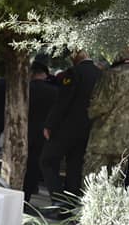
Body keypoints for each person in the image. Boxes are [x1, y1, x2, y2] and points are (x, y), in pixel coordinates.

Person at [39, 49, 101, 213]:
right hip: (87, 128)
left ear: (78, 54)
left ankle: (59, 202)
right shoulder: (99, 74)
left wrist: (50, 124)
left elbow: (63, 101)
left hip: (66, 127)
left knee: (47, 160)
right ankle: (70, 204)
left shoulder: (74, 72)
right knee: (74, 165)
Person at [85, 47, 129, 179]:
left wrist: (87, 114)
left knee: (94, 178)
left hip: (103, 137)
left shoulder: (111, 74)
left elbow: (99, 105)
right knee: (117, 178)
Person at [23, 60, 59, 205]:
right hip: (44, 133)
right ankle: (33, 190)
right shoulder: (54, 91)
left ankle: (24, 195)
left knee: (26, 164)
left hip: (25, 131)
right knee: (39, 164)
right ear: (45, 74)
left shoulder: (25, 89)